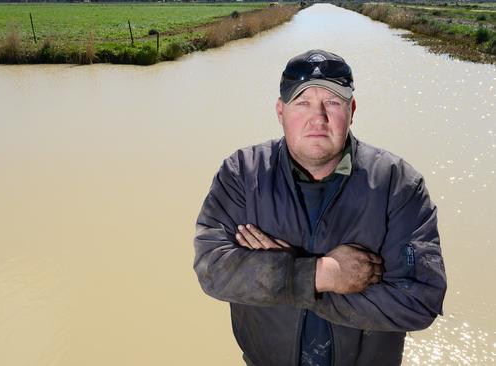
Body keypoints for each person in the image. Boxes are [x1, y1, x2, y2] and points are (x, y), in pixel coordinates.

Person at [192, 49, 447, 366]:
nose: (318, 117)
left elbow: (419, 301)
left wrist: (282, 281)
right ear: (280, 111)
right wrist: (322, 275)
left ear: (351, 110)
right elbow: (213, 271)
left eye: (333, 103)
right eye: (302, 103)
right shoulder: (243, 174)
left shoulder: (397, 185)